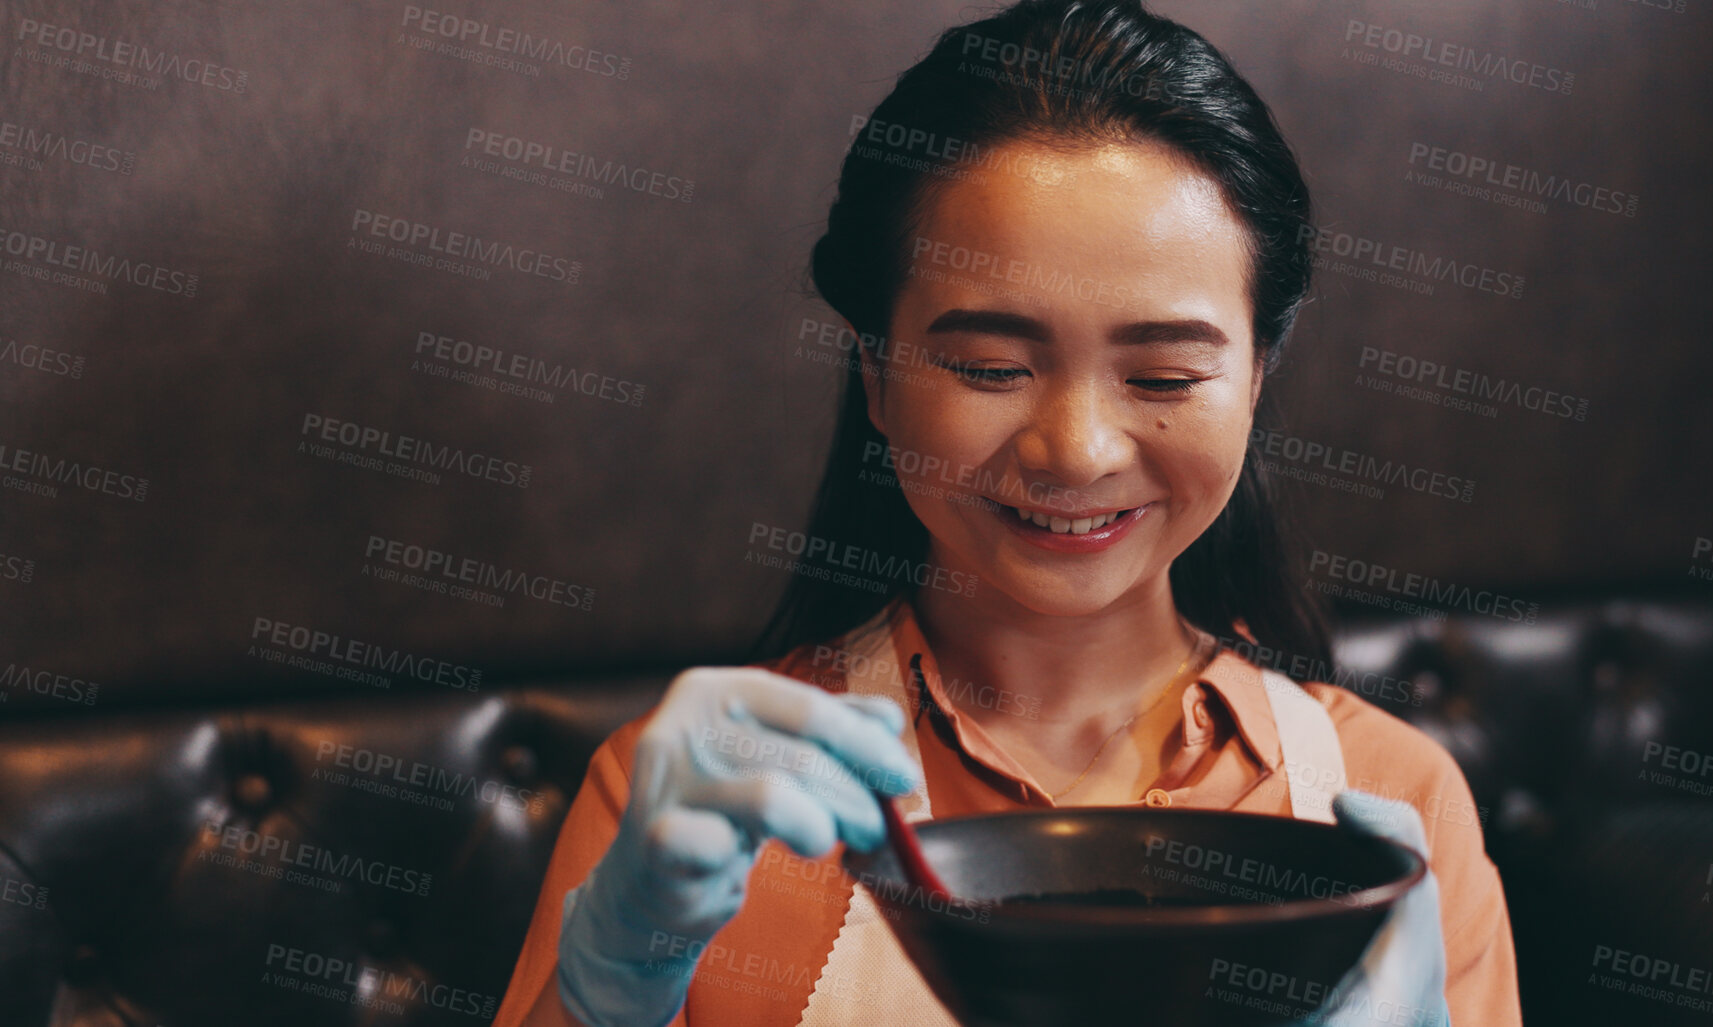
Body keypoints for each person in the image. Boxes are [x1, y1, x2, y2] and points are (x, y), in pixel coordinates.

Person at [493, 1, 1520, 1023]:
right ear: (879, 376)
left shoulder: (1397, 799)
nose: (1075, 449)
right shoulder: (704, 809)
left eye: (1162, 374)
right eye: (990, 366)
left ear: (1256, 379)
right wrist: (609, 987)